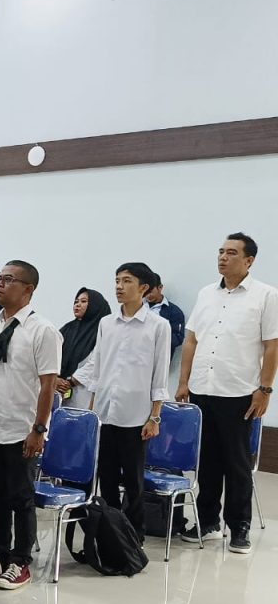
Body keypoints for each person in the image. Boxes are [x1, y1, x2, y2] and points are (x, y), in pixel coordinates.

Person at [176, 232, 278, 554]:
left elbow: (272, 345)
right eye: (221, 251)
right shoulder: (206, 293)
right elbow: (191, 340)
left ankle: (239, 527)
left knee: (237, 464)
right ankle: (208, 523)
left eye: (231, 252)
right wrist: (183, 382)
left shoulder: (266, 295)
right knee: (207, 461)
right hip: (202, 388)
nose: (223, 257)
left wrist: (265, 389)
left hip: (239, 392)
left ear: (249, 260)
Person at [0, 260, 61, 591]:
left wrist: (39, 429)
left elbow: (48, 385)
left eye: (8, 279)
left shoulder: (42, 331)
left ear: (28, 289)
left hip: (21, 428)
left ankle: (21, 562)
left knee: (21, 497)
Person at [86, 264, 171, 542]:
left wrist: (155, 416)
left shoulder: (158, 326)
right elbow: (98, 369)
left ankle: (135, 535)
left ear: (143, 288)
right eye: (117, 281)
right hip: (105, 412)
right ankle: (111, 532)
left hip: (136, 415)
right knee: (106, 477)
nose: (119, 286)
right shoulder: (106, 323)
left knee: (134, 481)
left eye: (127, 281)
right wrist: (92, 411)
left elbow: (159, 375)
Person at [56, 287, 111, 409]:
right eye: (76, 301)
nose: (77, 304)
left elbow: (97, 362)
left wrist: (71, 381)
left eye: (83, 301)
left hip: (86, 392)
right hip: (60, 391)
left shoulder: (104, 330)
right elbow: (52, 354)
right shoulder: (67, 329)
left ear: (95, 305)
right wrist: (55, 380)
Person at [146, 273, 186, 358]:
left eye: (150, 291)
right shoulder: (137, 307)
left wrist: (155, 338)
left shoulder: (174, 312)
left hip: (159, 359)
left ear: (160, 287)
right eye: (145, 292)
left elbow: (178, 338)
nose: (148, 295)